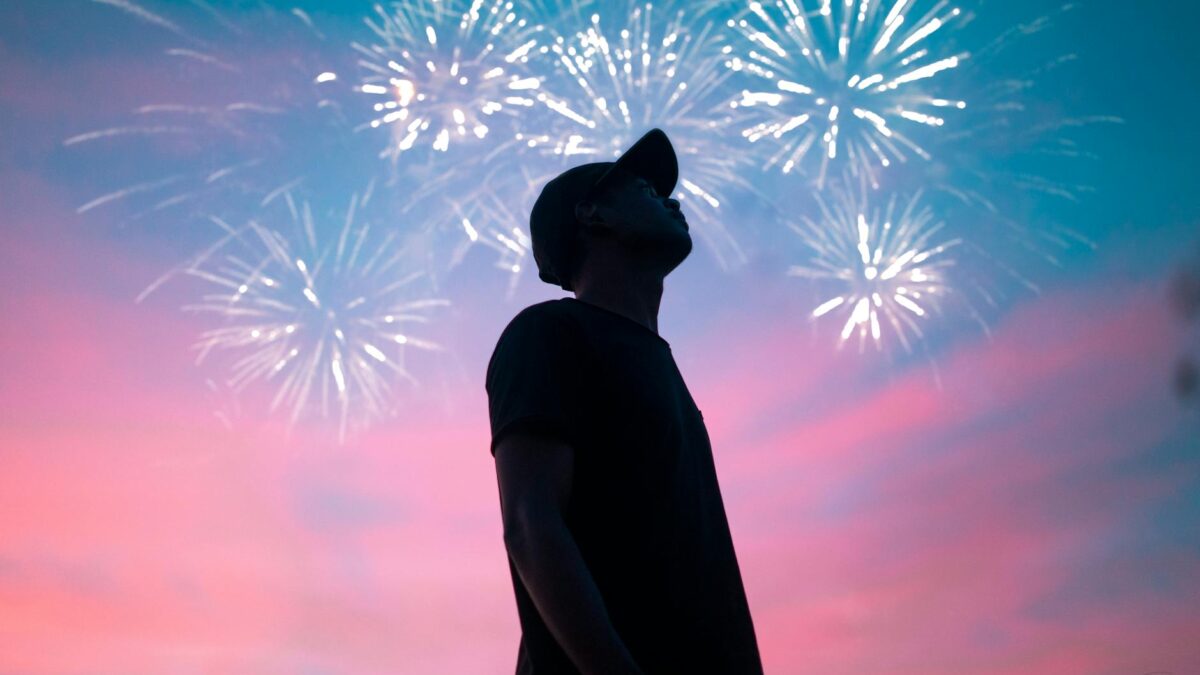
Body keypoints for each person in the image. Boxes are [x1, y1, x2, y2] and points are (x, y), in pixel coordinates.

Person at [485, 129, 764, 674]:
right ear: (594, 215)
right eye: (644, 189)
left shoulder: (664, 369)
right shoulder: (549, 333)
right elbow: (530, 522)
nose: (672, 201)